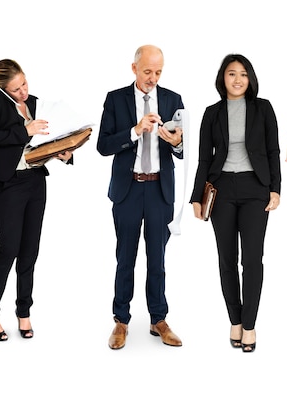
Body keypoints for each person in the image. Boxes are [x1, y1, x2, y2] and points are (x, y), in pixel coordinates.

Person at [0, 59, 74, 341]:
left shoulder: (34, 101)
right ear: (2, 87)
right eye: (16, 89)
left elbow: (47, 137)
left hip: (35, 182)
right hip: (9, 184)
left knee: (30, 251)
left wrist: (62, 152)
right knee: (8, 250)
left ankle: (23, 312)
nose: (23, 92)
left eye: (25, 84)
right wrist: (24, 131)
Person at [190, 54, 280, 353]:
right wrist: (195, 197)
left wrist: (275, 189)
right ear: (222, 78)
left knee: (252, 260)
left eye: (243, 73)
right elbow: (204, 157)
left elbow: (273, 150)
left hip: (256, 188)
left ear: (250, 78)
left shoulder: (263, 108)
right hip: (222, 190)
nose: (238, 79)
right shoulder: (212, 112)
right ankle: (235, 321)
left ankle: (250, 325)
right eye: (231, 74)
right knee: (226, 259)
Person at [97, 44, 184, 350]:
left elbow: (183, 149)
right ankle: (121, 321)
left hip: (160, 190)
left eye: (158, 72)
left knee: (157, 260)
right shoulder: (116, 99)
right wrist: (135, 130)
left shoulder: (173, 99)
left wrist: (176, 142)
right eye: (147, 71)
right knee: (125, 258)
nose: (153, 78)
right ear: (134, 68)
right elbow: (103, 146)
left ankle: (158, 319)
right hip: (128, 189)